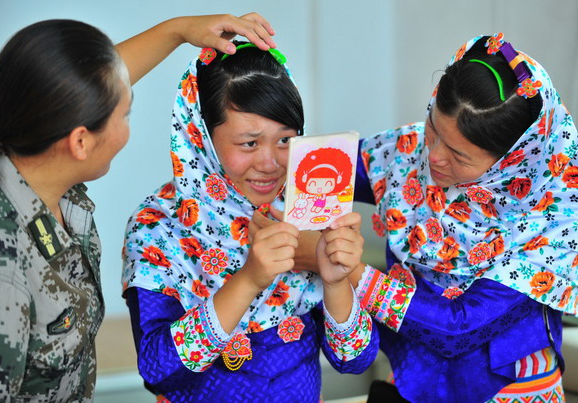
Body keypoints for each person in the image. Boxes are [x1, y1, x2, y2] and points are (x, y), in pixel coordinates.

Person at [0, 13, 278, 401]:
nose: (127, 130)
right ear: (80, 142)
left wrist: (177, 30)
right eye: (125, 114)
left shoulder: (37, 164)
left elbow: (75, 87)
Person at [121, 42, 380, 402]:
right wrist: (249, 279)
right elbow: (159, 371)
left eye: (285, 140)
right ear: (202, 138)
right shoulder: (159, 225)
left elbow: (354, 360)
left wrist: (337, 282)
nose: (271, 164)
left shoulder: (304, 210)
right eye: (249, 143)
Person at [352, 33, 576, 402]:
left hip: (506, 388)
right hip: (416, 375)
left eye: (458, 156)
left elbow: (457, 328)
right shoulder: (410, 151)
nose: (433, 157)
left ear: (510, 163)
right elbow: (319, 169)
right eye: (433, 127)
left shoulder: (551, 220)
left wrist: (351, 274)